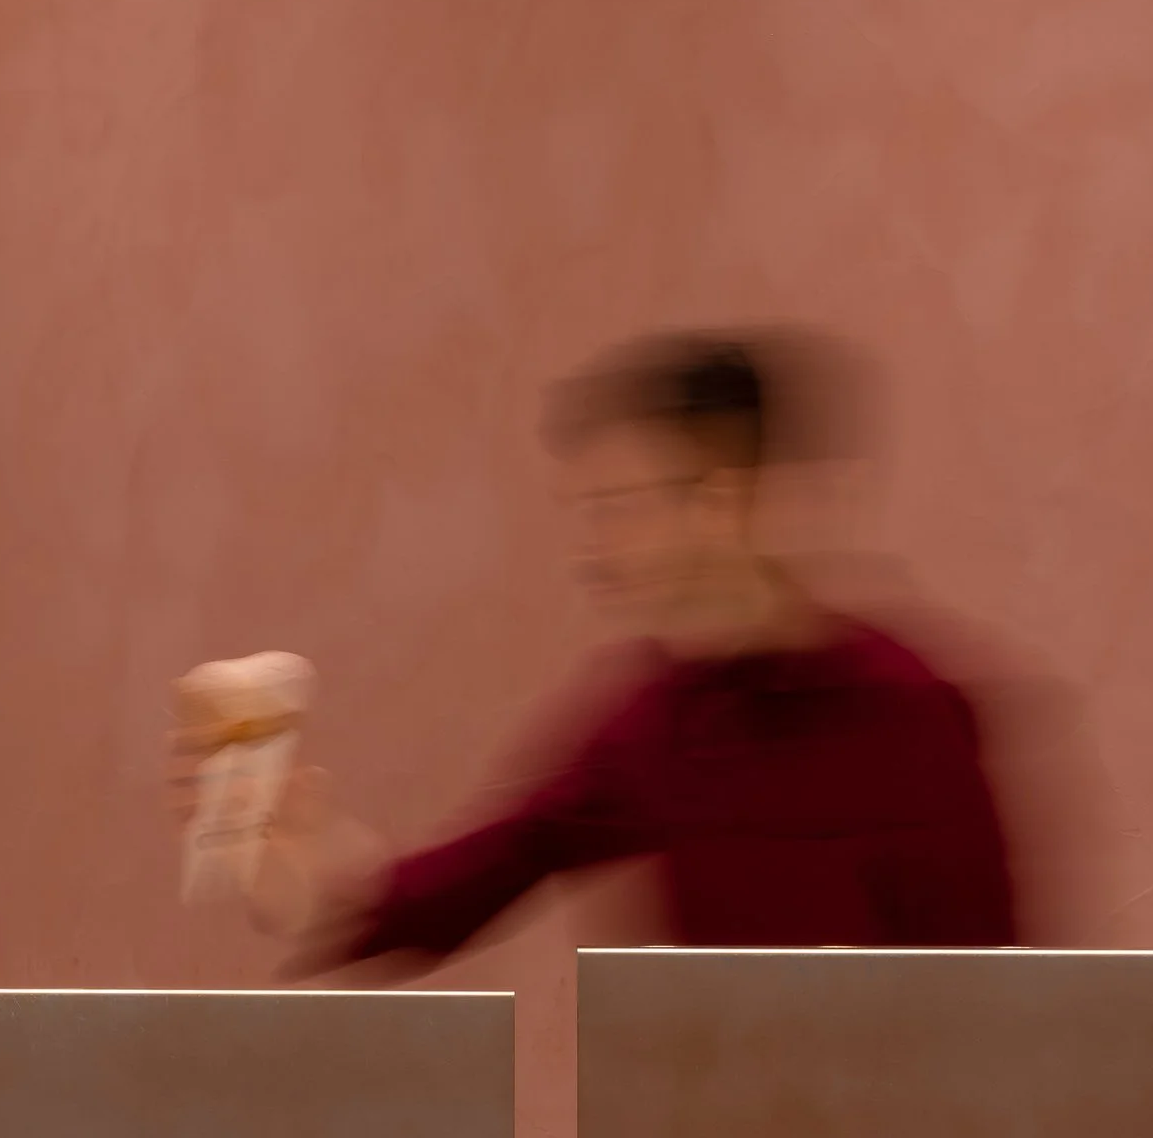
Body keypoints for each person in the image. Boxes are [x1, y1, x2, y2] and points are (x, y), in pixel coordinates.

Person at [228, 333, 1018, 969]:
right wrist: (318, 883)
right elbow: (482, 875)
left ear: (719, 502)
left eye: (617, 510)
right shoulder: (653, 722)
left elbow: (997, 997)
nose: (591, 553)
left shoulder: (907, 709)